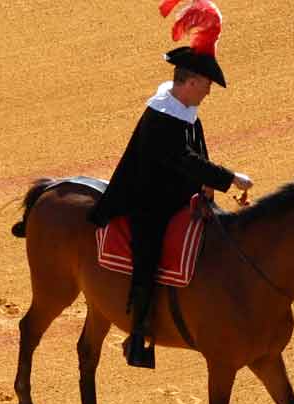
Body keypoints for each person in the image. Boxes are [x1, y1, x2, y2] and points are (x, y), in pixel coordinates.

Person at [88, 0, 253, 369]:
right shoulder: (162, 115)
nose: (209, 91)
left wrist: (212, 192)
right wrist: (230, 178)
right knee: (148, 253)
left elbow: (199, 155)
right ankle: (139, 333)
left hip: (179, 194)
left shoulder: (187, 112)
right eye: (207, 84)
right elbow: (184, 160)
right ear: (190, 81)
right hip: (147, 199)